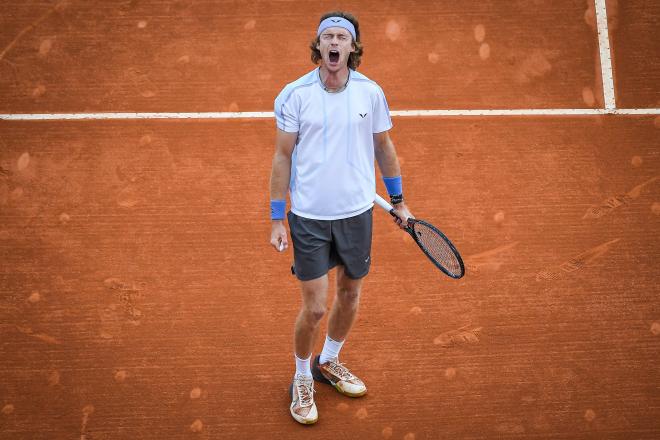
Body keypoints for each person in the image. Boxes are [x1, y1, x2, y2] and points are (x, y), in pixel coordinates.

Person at [269, 11, 413, 425]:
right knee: (314, 308)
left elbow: (383, 146)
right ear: (319, 46)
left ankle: (328, 361)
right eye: (327, 37)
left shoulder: (370, 93)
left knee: (350, 295)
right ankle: (301, 377)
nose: (334, 43)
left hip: (355, 214)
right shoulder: (295, 95)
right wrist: (278, 219)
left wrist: (398, 200)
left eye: (341, 37)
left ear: (352, 47)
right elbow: (282, 156)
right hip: (310, 217)